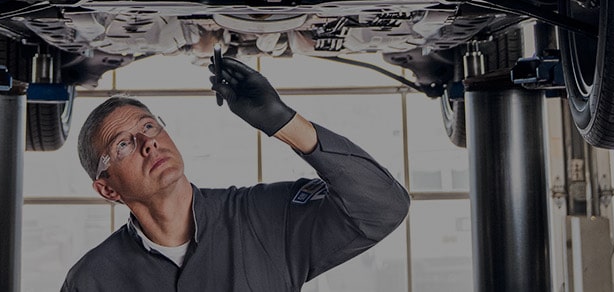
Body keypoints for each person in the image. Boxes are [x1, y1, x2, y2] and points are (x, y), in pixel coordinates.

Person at [59, 50, 411, 291]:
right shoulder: (92, 280)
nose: (146, 143)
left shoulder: (266, 218)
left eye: (149, 127)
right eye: (122, 144)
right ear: (108, 190)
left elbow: (382, 207)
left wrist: (283, 122)